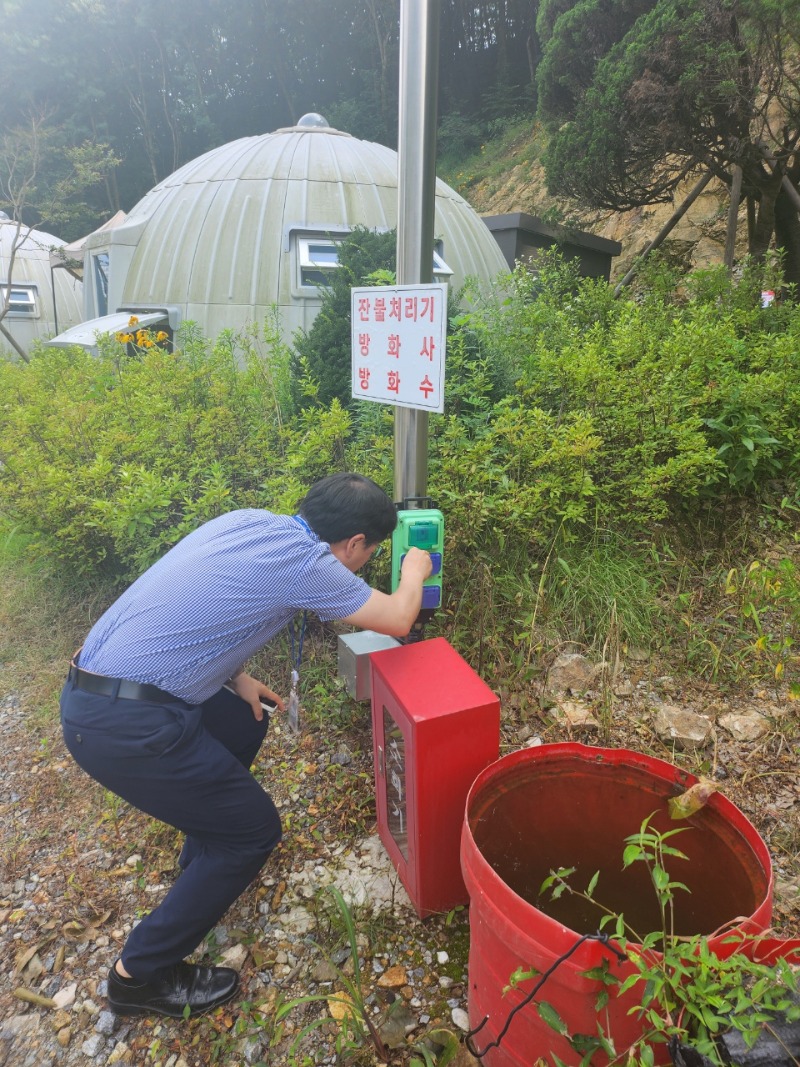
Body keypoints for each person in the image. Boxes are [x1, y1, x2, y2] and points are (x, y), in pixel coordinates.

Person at [59, 472, 432, 1019]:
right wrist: (414, 569)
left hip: (100, 689)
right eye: (369, 554)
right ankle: (138, 977)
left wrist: (236, 676)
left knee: (243, 722)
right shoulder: (307, 565)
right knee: (252, 832)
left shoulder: (249, 523)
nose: (363, 563)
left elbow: (205, 603)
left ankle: (204, 851)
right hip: (125, 723)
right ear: (354, 543)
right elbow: (400, 617)